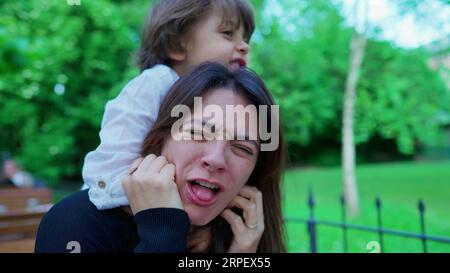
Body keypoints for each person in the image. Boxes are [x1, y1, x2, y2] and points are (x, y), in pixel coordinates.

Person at [35, 62, 286, 253]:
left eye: (242, 148)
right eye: (197, 132)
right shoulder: (77, 223)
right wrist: (163, 235)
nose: (216, 158)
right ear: (160, 139)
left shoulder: (240, 240)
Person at [82, 0, 255, 211]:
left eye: (246, 38)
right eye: (228, 33)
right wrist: (173, 213)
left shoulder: (221, 102)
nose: (244, 46)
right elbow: (109, 170)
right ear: (176, 44)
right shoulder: (153, 85)